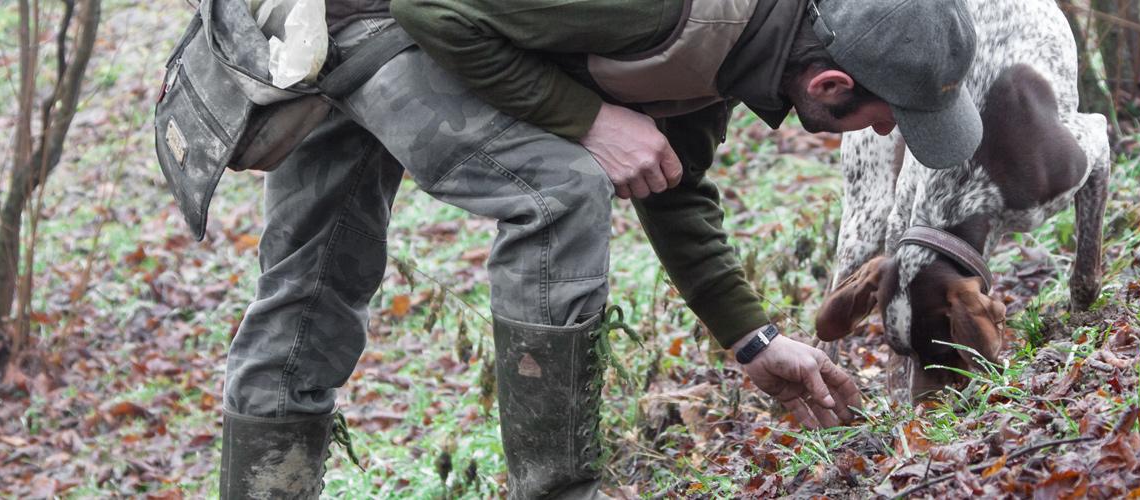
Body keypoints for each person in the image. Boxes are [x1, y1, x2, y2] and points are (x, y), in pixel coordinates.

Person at [211, 0, 982, 497]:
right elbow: (430, 7)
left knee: (309, 292)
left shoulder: (750, 45)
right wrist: (585, 119)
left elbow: (670, 181)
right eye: (889, 116)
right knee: (558, 190)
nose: (887, 134)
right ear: (831, 84)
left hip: (379, 23)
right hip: (359, 19)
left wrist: (754, 341)